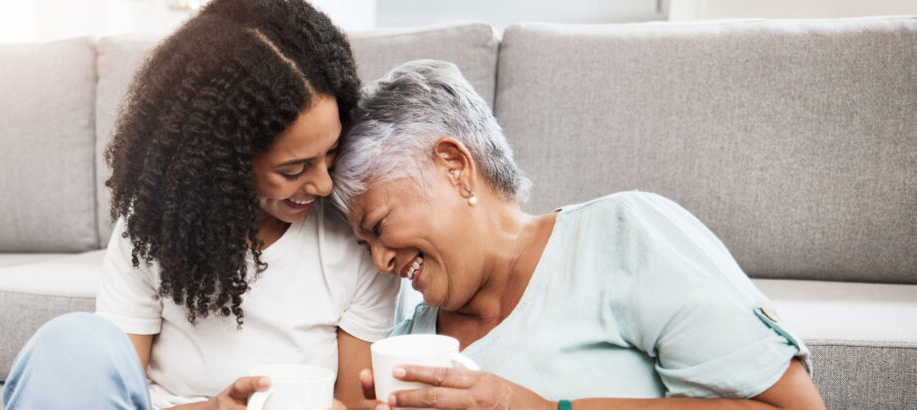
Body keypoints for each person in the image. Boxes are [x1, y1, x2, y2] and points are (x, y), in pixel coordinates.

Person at [329, 60, 826, 409]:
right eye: (364, 244)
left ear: (456, 167)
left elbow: (792, 408)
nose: (379, 261)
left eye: (378, 227)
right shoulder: (407, 348)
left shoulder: (625, 236)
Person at [2, 1, 399, 409]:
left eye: (330, 151)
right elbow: (109, 393)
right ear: (224, 162)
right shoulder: (154, 226)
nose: (322, 183)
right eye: (294, 169)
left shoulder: (356, 238)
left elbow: (353, 404)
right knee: (71, 342)